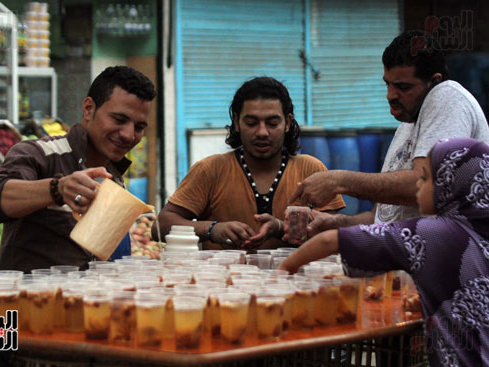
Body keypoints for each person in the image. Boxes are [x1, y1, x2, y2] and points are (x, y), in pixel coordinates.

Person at [280, 137, 489, 367]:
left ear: (449, 183)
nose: (418, 184)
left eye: (425, 177)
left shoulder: (433, 234)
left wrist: (283, 270)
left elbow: (331, 241)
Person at [288, 30, 489, 236]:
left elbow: (422, 184)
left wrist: (340, 181)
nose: (390, 95)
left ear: (434, 81)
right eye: (388, 83)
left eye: (403, 86)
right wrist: (335, 222)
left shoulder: (447, 97)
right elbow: (381, 219)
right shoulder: (407, 124)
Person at [0, 66, 156, 273]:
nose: (128, 134)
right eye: (119, 120)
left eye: (139, 127)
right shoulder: (39, 154)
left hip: (86, 302)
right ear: (89, 109)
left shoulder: (114, 178)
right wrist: (58, 189)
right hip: (23, 304)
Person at [155, 77, 345, 250]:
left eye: (272, 123)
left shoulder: (310, 170)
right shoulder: (210, 170)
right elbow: (160, 226)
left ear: (287, 123)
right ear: (236, 123)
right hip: (224, 284)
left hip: (300, 285)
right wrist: (212, 229)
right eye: (252, 123)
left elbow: (336, 233)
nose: (262, 132)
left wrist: (281, 228)